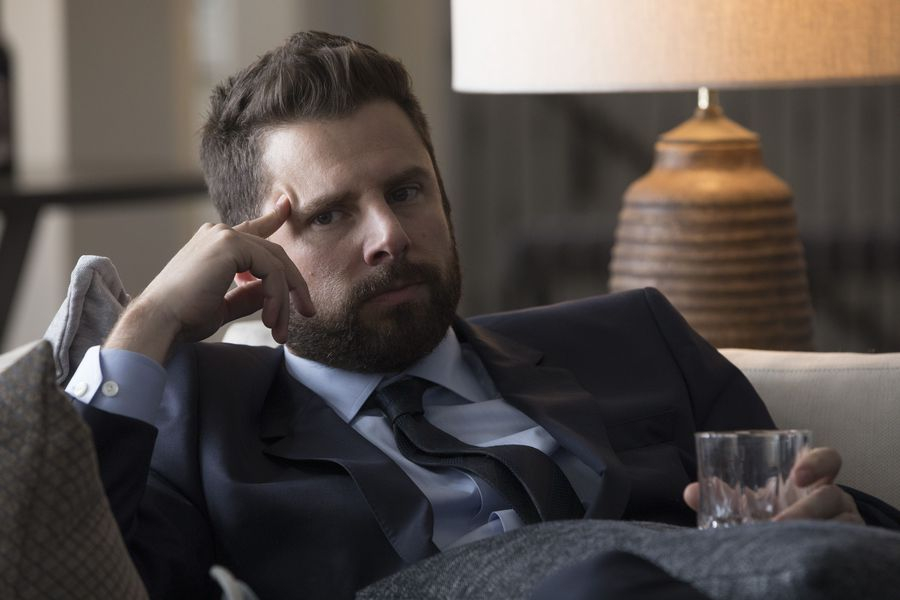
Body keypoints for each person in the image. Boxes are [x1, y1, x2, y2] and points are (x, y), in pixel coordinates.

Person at [65, 31, 897, 600]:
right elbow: (73, 572)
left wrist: (842, 517)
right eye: (331, 215)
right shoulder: (200, 416)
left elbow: (808, 540)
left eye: (406, 191)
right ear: (250, 251)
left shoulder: (637, 339)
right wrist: (149, 322)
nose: (390, 236)